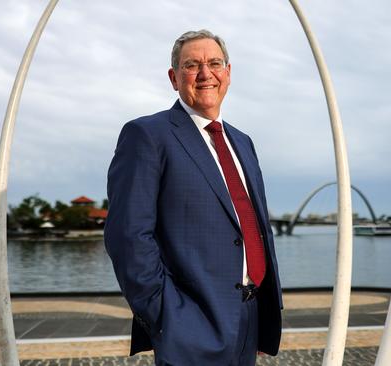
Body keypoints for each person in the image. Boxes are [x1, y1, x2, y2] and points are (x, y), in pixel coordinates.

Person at [104, 29, 282, 366]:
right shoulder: (147, 135)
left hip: (248, 318)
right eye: (192, 65)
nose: (205, 74)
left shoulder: (242, 142)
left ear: (228, 73)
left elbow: (252, 226)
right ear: (174, 78)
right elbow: (127, 236)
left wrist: (260, 313)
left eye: (215, 63)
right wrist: (167, 317)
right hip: (189, 326)